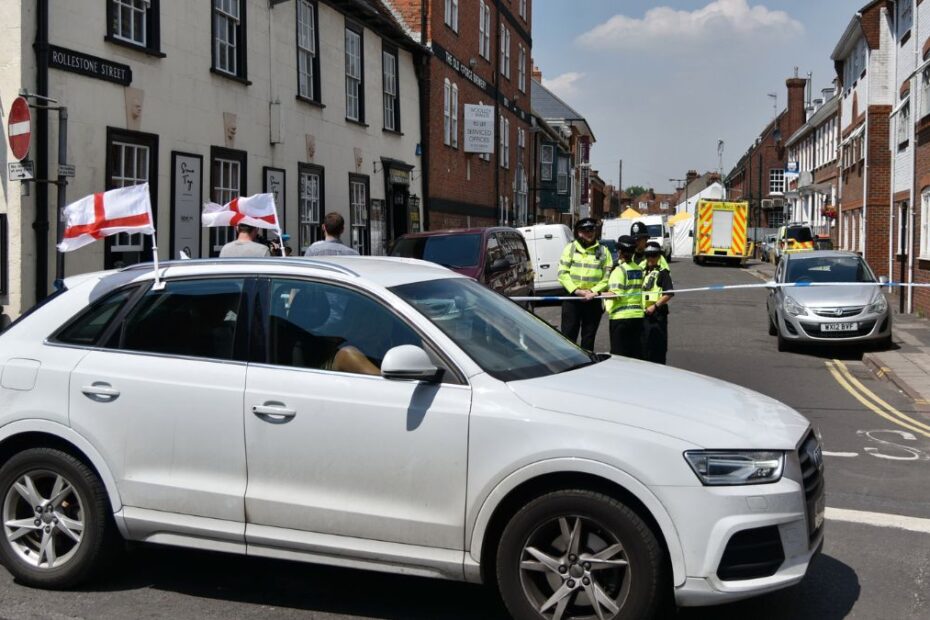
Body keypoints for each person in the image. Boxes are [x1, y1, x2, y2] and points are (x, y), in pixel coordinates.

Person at [557, 218, 612, 351]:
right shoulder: (570, 249)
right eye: (585, 230)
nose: (589, 233)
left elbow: (607, 278)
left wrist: (593, 292)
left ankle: (587, 361)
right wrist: (577, 291)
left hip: (593, 300)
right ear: (579, 233)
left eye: (591, 230)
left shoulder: (604, 251)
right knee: (568, 337)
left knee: (588, 338)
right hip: (573, 298)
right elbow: (562, 273)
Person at [605, 235, 644, 359]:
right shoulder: (638, 269)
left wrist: (597, 294)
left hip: (620, 318)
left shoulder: (619, 271)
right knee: (635, 355)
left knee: (620, 357)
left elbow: (616, 294)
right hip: (637, 316)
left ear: (620, 251)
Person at [641, 241, 674, 365]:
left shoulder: (663, 272)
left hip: (657, 315)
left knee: (657, 348)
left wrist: (654, 306)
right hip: (644, 314)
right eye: (648, 255)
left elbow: (669, 293)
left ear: (659, 256)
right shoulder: (642, 271)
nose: (650, 258)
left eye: (654, 255)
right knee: (644, 347)